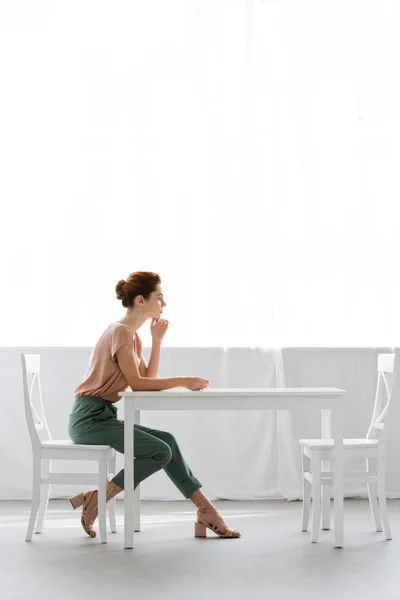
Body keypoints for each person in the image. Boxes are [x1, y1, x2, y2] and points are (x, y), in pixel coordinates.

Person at [68, 271, 240, 539]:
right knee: (160, 451)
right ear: (140, 300)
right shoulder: (120, 332)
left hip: (101, 416)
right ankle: (98, 499)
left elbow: (146, 379)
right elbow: (138, 384)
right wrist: (183, 380)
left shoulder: (130, 336)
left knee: (167, 442)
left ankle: (205, 512)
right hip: (89, 420)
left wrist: (156, 341)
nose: (164, 304)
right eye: (159, 297)